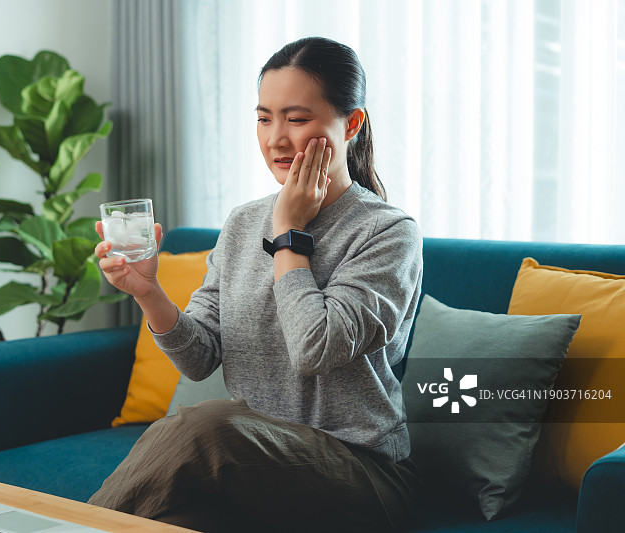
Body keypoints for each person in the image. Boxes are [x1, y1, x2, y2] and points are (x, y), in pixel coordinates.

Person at [89, 36, 423, 532]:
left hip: (360, 474)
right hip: (250, 470)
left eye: (297, 118)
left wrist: (290, 233)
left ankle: (63, 527)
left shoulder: (388, 232)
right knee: (166, 521)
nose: (276, 139)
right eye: (265, 118)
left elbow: (315, 347)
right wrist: (147, 292)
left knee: (206, 425)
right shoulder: (243, 223)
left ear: (351, 123)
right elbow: (199, 359)